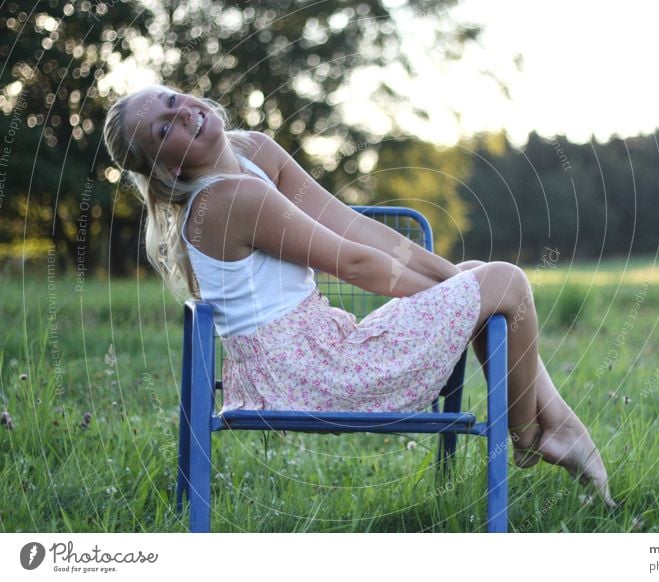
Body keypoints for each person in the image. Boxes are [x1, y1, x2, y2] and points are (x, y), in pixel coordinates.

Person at [102, 84, 616, 507]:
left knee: (481, 275)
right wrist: (460, 294)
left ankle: (558, 429)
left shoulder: (252, 152)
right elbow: (355, 263)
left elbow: (352, 228)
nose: (183, 114)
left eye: (174, 100)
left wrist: (454, 284)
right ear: (167, 169)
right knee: (506, 281)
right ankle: (529, 435)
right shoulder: (229, 199)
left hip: (318, 353)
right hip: (315, 378)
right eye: (163, 128)